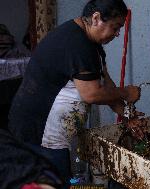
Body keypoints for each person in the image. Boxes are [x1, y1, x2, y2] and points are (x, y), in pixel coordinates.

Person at [8, 0, 140, 186]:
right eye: (115, 27)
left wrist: (127, 115)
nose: (117, 34)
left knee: (65, 178)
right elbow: (92, 94)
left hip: (50, 130)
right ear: (96, 19)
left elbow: (105, 86)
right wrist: (126, 93)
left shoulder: (91, 44)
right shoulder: (77, 44)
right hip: (39, 130)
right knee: (55, 182)